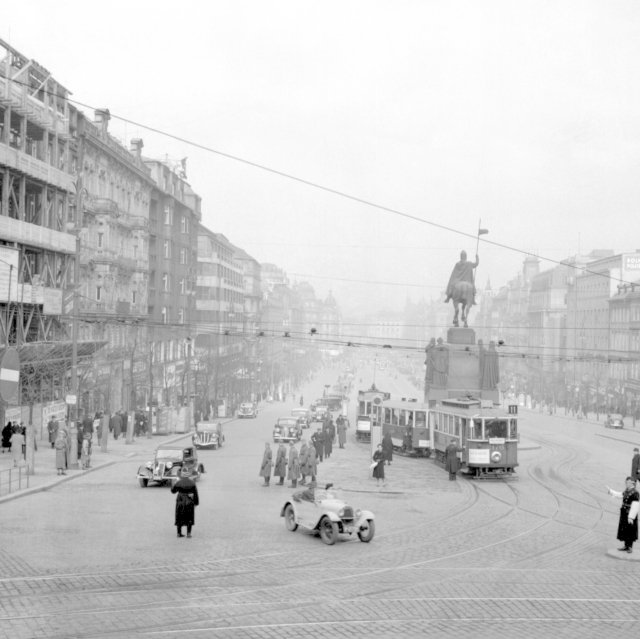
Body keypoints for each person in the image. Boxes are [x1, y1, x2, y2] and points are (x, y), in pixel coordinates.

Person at [608, 477, 640, 553]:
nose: (626, 484)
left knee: (630, 529)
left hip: (630, 513)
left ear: (632, 483)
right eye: (626, 482)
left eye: (628, 482)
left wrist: (631, 517)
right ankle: (626, 545)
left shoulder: (635, 493)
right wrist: (611, 491)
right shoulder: (627, 491)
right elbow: (620, 495)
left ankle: (630, 547)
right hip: (624, 512)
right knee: (624, 528)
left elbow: (635, 505)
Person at [171, 465, 200, 538]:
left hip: (180, 499)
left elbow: (173, 491)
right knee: (189, 517)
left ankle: (178, 533)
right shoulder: (192, 483)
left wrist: (174, 483)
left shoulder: (178, 482)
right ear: (188, 474)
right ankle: (189, 533)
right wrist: (196, 503)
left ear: (182, 474)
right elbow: (195, 493)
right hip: (189, 500)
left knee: (179, 516)